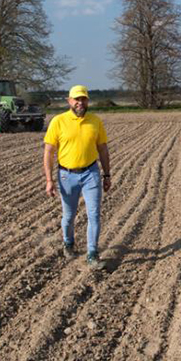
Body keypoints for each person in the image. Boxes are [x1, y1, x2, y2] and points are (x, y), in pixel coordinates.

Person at [43, 85, 111, 270]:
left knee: (94, 214)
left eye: (83, 99)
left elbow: (103, 149)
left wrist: (106, 174)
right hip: (67, 175)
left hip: (91, 173)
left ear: (88, 101)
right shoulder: (58, 121)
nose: (80, 103)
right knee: (69, 215)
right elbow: (49, 152)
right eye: (76, 99)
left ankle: (92, 253)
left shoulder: (95, 121)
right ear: (69, 101)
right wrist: (49, 180)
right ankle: (68, 243)